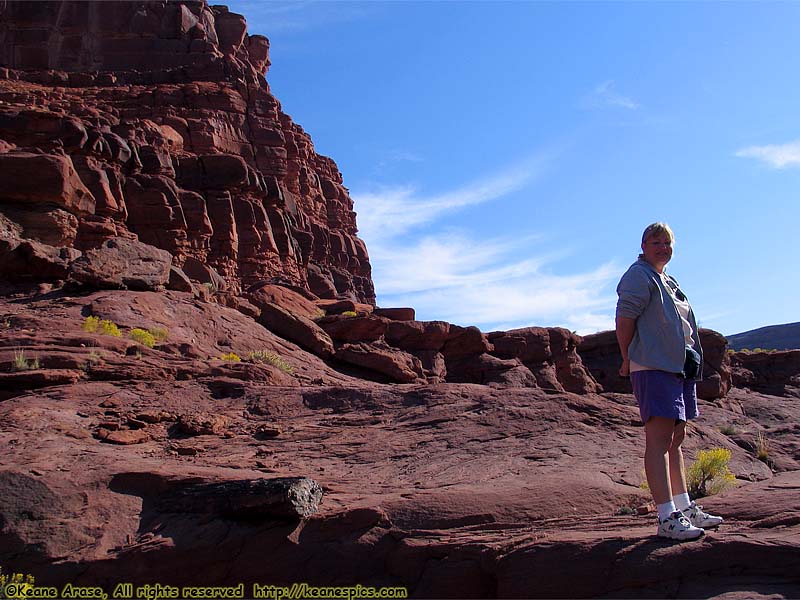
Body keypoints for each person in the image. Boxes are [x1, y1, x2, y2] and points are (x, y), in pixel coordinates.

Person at [616, 222, 723, 541]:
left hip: (679, 367)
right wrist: (627, 356)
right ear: (643, 245)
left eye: (667, 242)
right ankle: (666, 517)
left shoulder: (668, 280)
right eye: (655, 242)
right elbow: (624, 319)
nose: (662, 247)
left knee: (677, 438)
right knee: (659, 440)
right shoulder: (639, 275)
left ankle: (684, 506)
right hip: (653, 365)